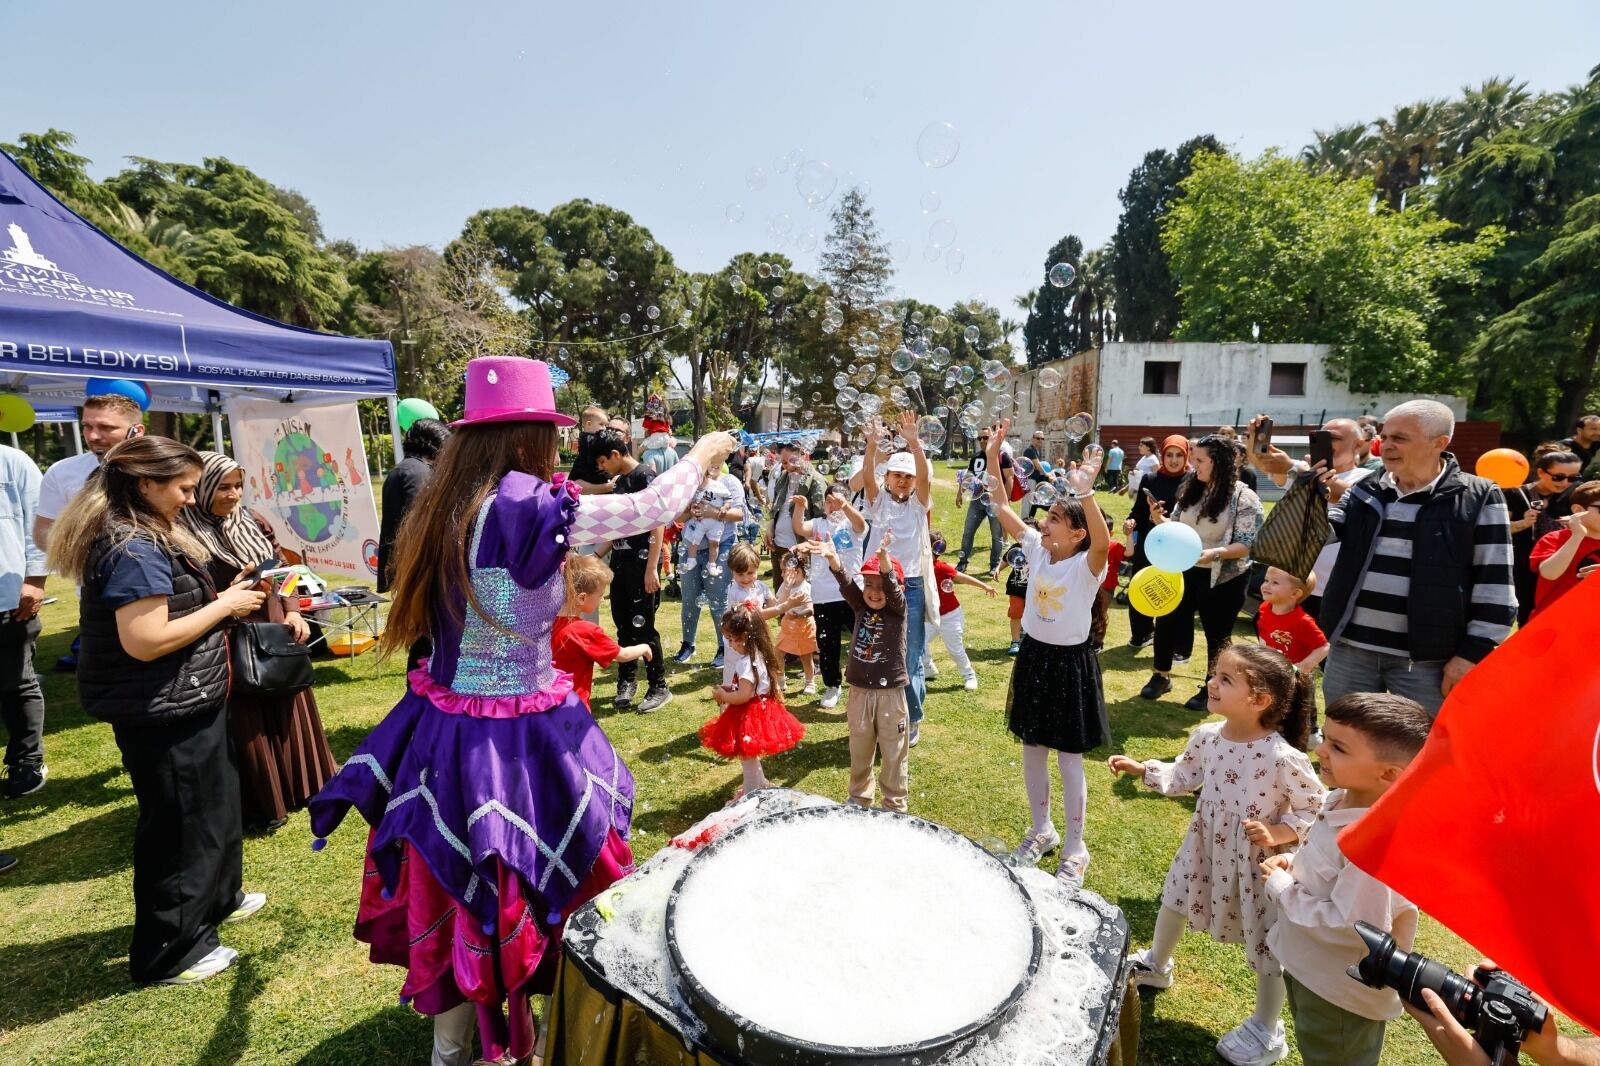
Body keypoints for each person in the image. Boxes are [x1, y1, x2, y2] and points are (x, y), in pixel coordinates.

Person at [307, 357, 735, 1066]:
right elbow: (648, 507)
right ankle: (523, 1025)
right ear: (530, 436)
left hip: (443, 729)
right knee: (530, 869)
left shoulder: (447, 502)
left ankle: (455, 1046)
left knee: (455, 879)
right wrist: (704, 452)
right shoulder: (525, 505)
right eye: (550, 435)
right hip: (519, 739)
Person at [47, 436, 270, 985]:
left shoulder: (146, 534)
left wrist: (219, 592)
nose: (191, 500)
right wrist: (224, 605)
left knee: (213, 809)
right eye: (183, 488)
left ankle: (217, 900)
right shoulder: (132, 546)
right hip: (161, 708)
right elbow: (145, 640)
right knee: (178, 830)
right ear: (145, 484)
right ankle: (169, 951)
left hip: (187, 698)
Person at [1110, 644, 1324, 1066]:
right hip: (1204, 843)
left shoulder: (1284, 757)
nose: (1211, 683)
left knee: (1268, 939)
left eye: (1226, 679)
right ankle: (1157, 963)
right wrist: (1144, 769)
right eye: (1215, 674)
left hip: (1258, 863)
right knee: (1174, 898)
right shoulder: (1207, 736)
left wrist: (1278, 831)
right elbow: (1184, 774)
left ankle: (1267, 1028)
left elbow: (1315, 808)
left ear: (1259, 700)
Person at [1257, 691, 1432, 1066]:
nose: (1320, 748)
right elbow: (1326, 867)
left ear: (1387, 774)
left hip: (1339, 993)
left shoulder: (1375, 843)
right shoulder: (1341, 799)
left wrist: (1283, 890)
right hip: (1311, 967)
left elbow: (1353, 926)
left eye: (1339, 747)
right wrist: (1293, 862)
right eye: (1325, 735)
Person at [1317, 400, 1515, 718]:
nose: (1386, 445)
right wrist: (1305, 491)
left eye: (1400, 438)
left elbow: (1495, 583)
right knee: (1347, 742)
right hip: (1351, 651)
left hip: (1429, 663)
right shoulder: (1367, 489)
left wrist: (1470, 655)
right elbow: (1316, 536)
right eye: (1384, 436)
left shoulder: (1477, 496)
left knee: (1425, 754)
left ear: (1440, 443)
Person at [981, 424, 1110, 885]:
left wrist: (1087, 494)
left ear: (1075, 533)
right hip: (1034, 656)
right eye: (1048, 514)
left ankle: (1077, 847)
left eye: (1055, 517)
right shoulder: (1036, 549)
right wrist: (995, 453)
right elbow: (1000, 504)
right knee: (1032, 748)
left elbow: (1102, 542)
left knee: (1068, 758)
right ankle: (1043, 830)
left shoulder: (1086, 563)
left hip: (1070, 664)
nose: (1044, 521)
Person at [181, 452, 336, 833]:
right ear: (200, 487)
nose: (233, 495)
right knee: (248, 716)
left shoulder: (253, 521)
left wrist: (294, 610)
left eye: (238, 486)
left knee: (288, 697)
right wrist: (226, 597)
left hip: (272, 623)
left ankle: (308, 786)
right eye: (223, 486)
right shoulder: (183, 533)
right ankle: (267, 802)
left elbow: (281, 569)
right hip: (228, 631)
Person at [1141, 435, 1265, 711]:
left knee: (1217, 635)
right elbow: (1176, 525)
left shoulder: (1245, 497)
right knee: (1167, 621)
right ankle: (1161, 676)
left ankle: (1213, 688)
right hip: (1183, 570)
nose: (1192, 464)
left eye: (1199, 460)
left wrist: (1214, 554)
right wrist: (1157, 518)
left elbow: (1247, 544)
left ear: (1218, 462)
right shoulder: (1191, 487)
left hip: (1224, 577)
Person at [820, 529, 911, 811]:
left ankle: (894, 804)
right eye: (868, 585)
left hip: (890, 695)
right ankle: (859, 799)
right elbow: (848, 585)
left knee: (894, 752)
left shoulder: (898, 610)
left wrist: (883, 558)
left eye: (879, 586)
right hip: (859, 691)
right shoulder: (860, 606)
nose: (873, 592)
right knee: (860, 750)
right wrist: (835, 561)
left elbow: (891, 587)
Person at [862, 412, 933, 745]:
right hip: (879, 583)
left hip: (911, 586)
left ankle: (912, 716)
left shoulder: (918, 505)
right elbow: (867, 476)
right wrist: (871, 446)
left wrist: (914, 444)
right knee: (878, 648)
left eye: (909, 476)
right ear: (887, 478)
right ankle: (886, 714)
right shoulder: (877, 504)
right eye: (897, 476)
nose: (903, 481)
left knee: (910, 652)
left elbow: (925, 482)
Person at [592, 429, 670, 713]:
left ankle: (659, 685)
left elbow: (657, 523)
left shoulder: (644, 476)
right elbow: (617, 529)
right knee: (623, 625)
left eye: (602, 462)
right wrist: (596, 556)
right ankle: (627, 682)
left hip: (642, 565)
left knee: (644, 627)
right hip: (621, 565)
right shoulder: (621, 482)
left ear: (614, 455)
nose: (602, 469)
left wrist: (652, 568)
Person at [697, 601, 805, 802]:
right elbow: (750, 688)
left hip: (749, 712)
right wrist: (732, 688)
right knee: (751, 753)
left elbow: (744, 696)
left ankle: (750, 793)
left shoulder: (747, 664)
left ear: (745, 638)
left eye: (731, 639)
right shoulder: (759, 655)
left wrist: (723, 696)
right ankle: (760, 782)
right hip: (761, 706)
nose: (730, 644)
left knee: (747, 757)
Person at [33, 383, 148, 552]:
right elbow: (43, 531)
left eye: (106, 428)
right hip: (93, 576)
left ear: (137, 431)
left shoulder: (165, 468)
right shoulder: (61, 471)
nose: (93, 436)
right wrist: (90, 554)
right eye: (87, 426)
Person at [381, 419, 451, 669]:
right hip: (419, 568)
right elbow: (420, 524)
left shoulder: (404, 468)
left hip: (408, 566)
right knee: (425, 640)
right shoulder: (418, 472)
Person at [790, 481, 866, 710]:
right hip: (823, 594)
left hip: (853, 591)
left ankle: (863, 682)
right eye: (829, 501)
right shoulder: (819, 524)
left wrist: (847, 508)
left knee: (862, 641)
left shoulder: (852, 523)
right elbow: (799, 527)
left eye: (838, 501)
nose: (833, 505)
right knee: (828, 643)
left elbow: (861, 524)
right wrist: (800, 507)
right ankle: (833, 685)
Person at [0, 444, 48, 800]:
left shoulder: (11, 461)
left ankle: (25, 761)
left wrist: (36, 580)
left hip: (8, 597)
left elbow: (40, 523)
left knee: (16, 682)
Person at [550, 554, 652, 710]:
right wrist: (644, 648)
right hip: (575, 711)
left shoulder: (546, 623)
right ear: (582, 598)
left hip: (548, 706)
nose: (602, 600)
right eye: (600, 595)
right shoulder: (586, 631)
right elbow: (622, 655)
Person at [674, 461, 745, 667]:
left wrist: (713, 512)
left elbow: (739, 513)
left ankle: (724, 646)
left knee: (718, 600)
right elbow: (679, 516)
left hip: (720, 545)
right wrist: (692, 511)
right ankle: (688, 644)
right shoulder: (691, 482)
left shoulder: (729, 481)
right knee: (689, 597)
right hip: (692, 546)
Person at [1125, 435, 1191, 651]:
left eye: (1179, 455)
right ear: (1162, 456)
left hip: (1176, 545)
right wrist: (1132, 520)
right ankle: (1141, 633)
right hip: (1149, 541)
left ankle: (1167, 639)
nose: (1173, 460)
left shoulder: (1193, 480)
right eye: (1169, 455)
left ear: (1186, 456)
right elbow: (1138, 510)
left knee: (1171, 590)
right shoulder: (1150, 479)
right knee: (1140, 585)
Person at [1506, 450, 1584, 625]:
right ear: (1541, 472)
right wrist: (1523, 523)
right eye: (1558, 477)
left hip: (1567, 563)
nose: (1565, 483)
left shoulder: (1577, 495)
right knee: (1527, 614)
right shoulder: (1516, 493)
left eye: (1572, 478)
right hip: (1526, 565)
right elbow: (1498, 529)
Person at [921, 536, 993, 691]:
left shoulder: (940, 567)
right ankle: (928, 667)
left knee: (955, 649)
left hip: (950, 616)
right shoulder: (917, 566)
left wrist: (984, 586)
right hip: (930, 615)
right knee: (919, 641)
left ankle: (969, 675)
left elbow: (964, 578)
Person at [1530, 483, 1600, 618]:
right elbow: (1550, 573)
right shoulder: (1554, 539)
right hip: (1555, 622)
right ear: (1578, 510)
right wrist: (1577, 536)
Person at [954, 426, 1013, 577]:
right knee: (968, 532)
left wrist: (1004, 501)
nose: (981, 440)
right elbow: (968, 476)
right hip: (978, 499)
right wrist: (960, 493)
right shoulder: (976, 457)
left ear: (992, 438)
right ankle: (962, 563)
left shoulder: (1002, 456)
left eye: (985, 437)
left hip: (995, 501)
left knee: (996, 536)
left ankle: (994, 566)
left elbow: (1010, 479)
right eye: (979, 438)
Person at [765, 440, 827, 582]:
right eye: (784, 463)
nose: (789, 466)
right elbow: (778, 506)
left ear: (803, 456)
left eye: (792, 460)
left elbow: (821, 517)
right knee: (781, 591)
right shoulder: (784, 477)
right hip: (780, 547)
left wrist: (807, 546)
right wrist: (771, 525)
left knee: (802, 594)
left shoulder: (816, 481)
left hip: (801, 549)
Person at [1255, 568, 1329, 673]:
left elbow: (1324, 647)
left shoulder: (1302, 621)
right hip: (1270, 670)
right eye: (1266, 580)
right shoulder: (1265, 607)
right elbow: (1264, 633)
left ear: (1295, 593)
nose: (1266, 586)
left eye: (1275, 582)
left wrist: (1302, 667)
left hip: (1292, 679)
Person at [770, 551, 817, 694]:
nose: (782, 574)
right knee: (777, 652)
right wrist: (786, 588)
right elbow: (779, 603)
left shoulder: (806, 587)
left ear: (796, 571)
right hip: (788, 627)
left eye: (784, 571)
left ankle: (810, 682)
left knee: (805, 656)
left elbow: (811, 609)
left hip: (804, 627)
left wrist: (800, 614)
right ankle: (780, 678)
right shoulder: (785, 586)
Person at [680, 472, 732, 576]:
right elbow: (691, 503)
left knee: (715, 543)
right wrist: (690, 508)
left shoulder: (718, 486)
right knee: (694, 540)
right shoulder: (693, 488)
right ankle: (691, 560)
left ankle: (711, 564)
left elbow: (729, 499)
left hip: (716, 521)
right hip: (699, 520)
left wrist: (725, 507)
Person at [1094, 516, 1126, 652]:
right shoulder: (1089, 544)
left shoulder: (1114, 546)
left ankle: (1098, 642)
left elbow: (1129, 553)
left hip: (1107, 588)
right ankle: (1088, 639)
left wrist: (1129, 535)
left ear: (1111, 533)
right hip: (1092, 586)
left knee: (1101, 615)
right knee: (1089, 614)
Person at [567, 404, 612, 494]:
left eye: (606, 425)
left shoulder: (589, 438)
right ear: (589, 424)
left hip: (589, 472)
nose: (604, 428)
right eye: (601, 424)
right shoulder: (588, 439)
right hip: (587, 473)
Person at [1003, 529, 1031, 655]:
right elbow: (1006, 559)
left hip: (1033, 590)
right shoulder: (1015, 548)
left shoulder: (1038, 549)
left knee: (1032, 614)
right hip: (1015, 587)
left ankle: (1025, 635)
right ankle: (1015, 641)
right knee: (1016, 612)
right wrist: (998, 569)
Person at [638, 394, 678, 477]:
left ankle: (635, 470)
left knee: (638, 451)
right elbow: (669, 431)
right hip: (666, 440)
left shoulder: (650, 417)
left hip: (656, 439)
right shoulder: (666, 417)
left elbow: (645, 428)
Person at [1559, 413, 1600, 478]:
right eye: (1593, 429)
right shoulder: (1563, 447)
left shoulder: (1597, 445)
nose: (1598, 432)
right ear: (1579, 430)